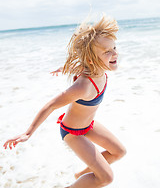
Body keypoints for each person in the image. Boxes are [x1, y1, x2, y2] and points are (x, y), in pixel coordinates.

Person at [3, 15, 126, 188]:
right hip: (73, 132)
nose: (115, 53)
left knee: (119, 152)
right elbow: (51, 105)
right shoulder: (83, 86)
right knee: (106, 178)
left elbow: (76, 66)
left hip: (88, 125)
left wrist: (62, 68)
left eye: (114, 47)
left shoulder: (95, 68)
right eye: (107, 52)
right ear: (92, 60)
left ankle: (81, 175)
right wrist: (28, 133)